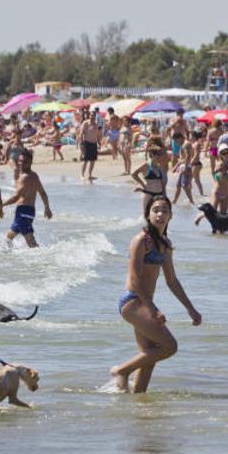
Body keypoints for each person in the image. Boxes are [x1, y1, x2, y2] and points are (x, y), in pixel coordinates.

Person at [111, 195, 201, 393]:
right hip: (133, 302)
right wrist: (152, 310)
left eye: (164, 211)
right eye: (156, 210)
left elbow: (172, 280)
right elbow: (134, 280)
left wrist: (190, 308)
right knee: (169, 346)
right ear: (148, 214)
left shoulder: (166, 244)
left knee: (149, 355)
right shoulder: (141, 240)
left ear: (170, 216)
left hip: (145, 304)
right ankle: (121, 371)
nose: (160, 214)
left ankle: (139, 402)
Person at [3, 149, 53, 248]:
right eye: (20, 161)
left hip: (23, 212)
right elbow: (42, 193)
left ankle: (46, 257)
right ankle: (13, 255)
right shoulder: (34, 175)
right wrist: (47, 208)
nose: (21, 163)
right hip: (29, 211)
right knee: (8, 238)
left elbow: (16, 197)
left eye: (24, 161)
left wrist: (1, 204)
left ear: (30, 162)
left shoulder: (24, 177)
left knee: (32, 243)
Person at [77, 110, 101, 182]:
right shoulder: (86, 123)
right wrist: (81, 143)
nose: (92, 117)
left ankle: (90, 175)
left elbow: (98, 134)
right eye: (91, 115)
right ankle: (82, 175)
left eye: (93, 115)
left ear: (95, 116)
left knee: (93, 160)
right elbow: (81, 133)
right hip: (86, 143)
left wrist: (99, 143)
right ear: (89, 115)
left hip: (94, 143)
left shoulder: (96, 124)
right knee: (86, 160)